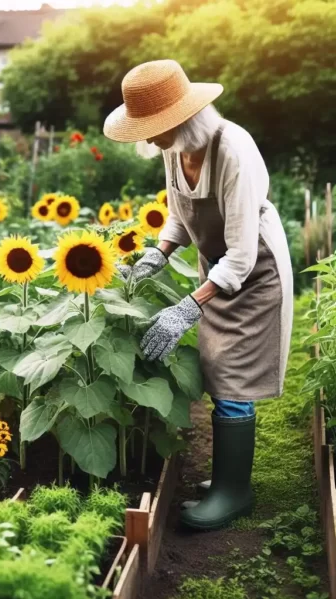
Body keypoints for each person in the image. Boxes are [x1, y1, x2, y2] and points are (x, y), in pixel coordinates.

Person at [103, 59, 293, 530]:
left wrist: (188, 305)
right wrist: (159, 254)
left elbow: (243, 256)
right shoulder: (176, 148)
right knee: (215, 367)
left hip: (255, 272)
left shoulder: (234, 151)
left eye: (154, 129)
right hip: (217, 269)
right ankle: (230, 478)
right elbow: (178, 213)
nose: (149, 139)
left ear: (181, 119)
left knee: (234, 378)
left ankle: (234, 493)